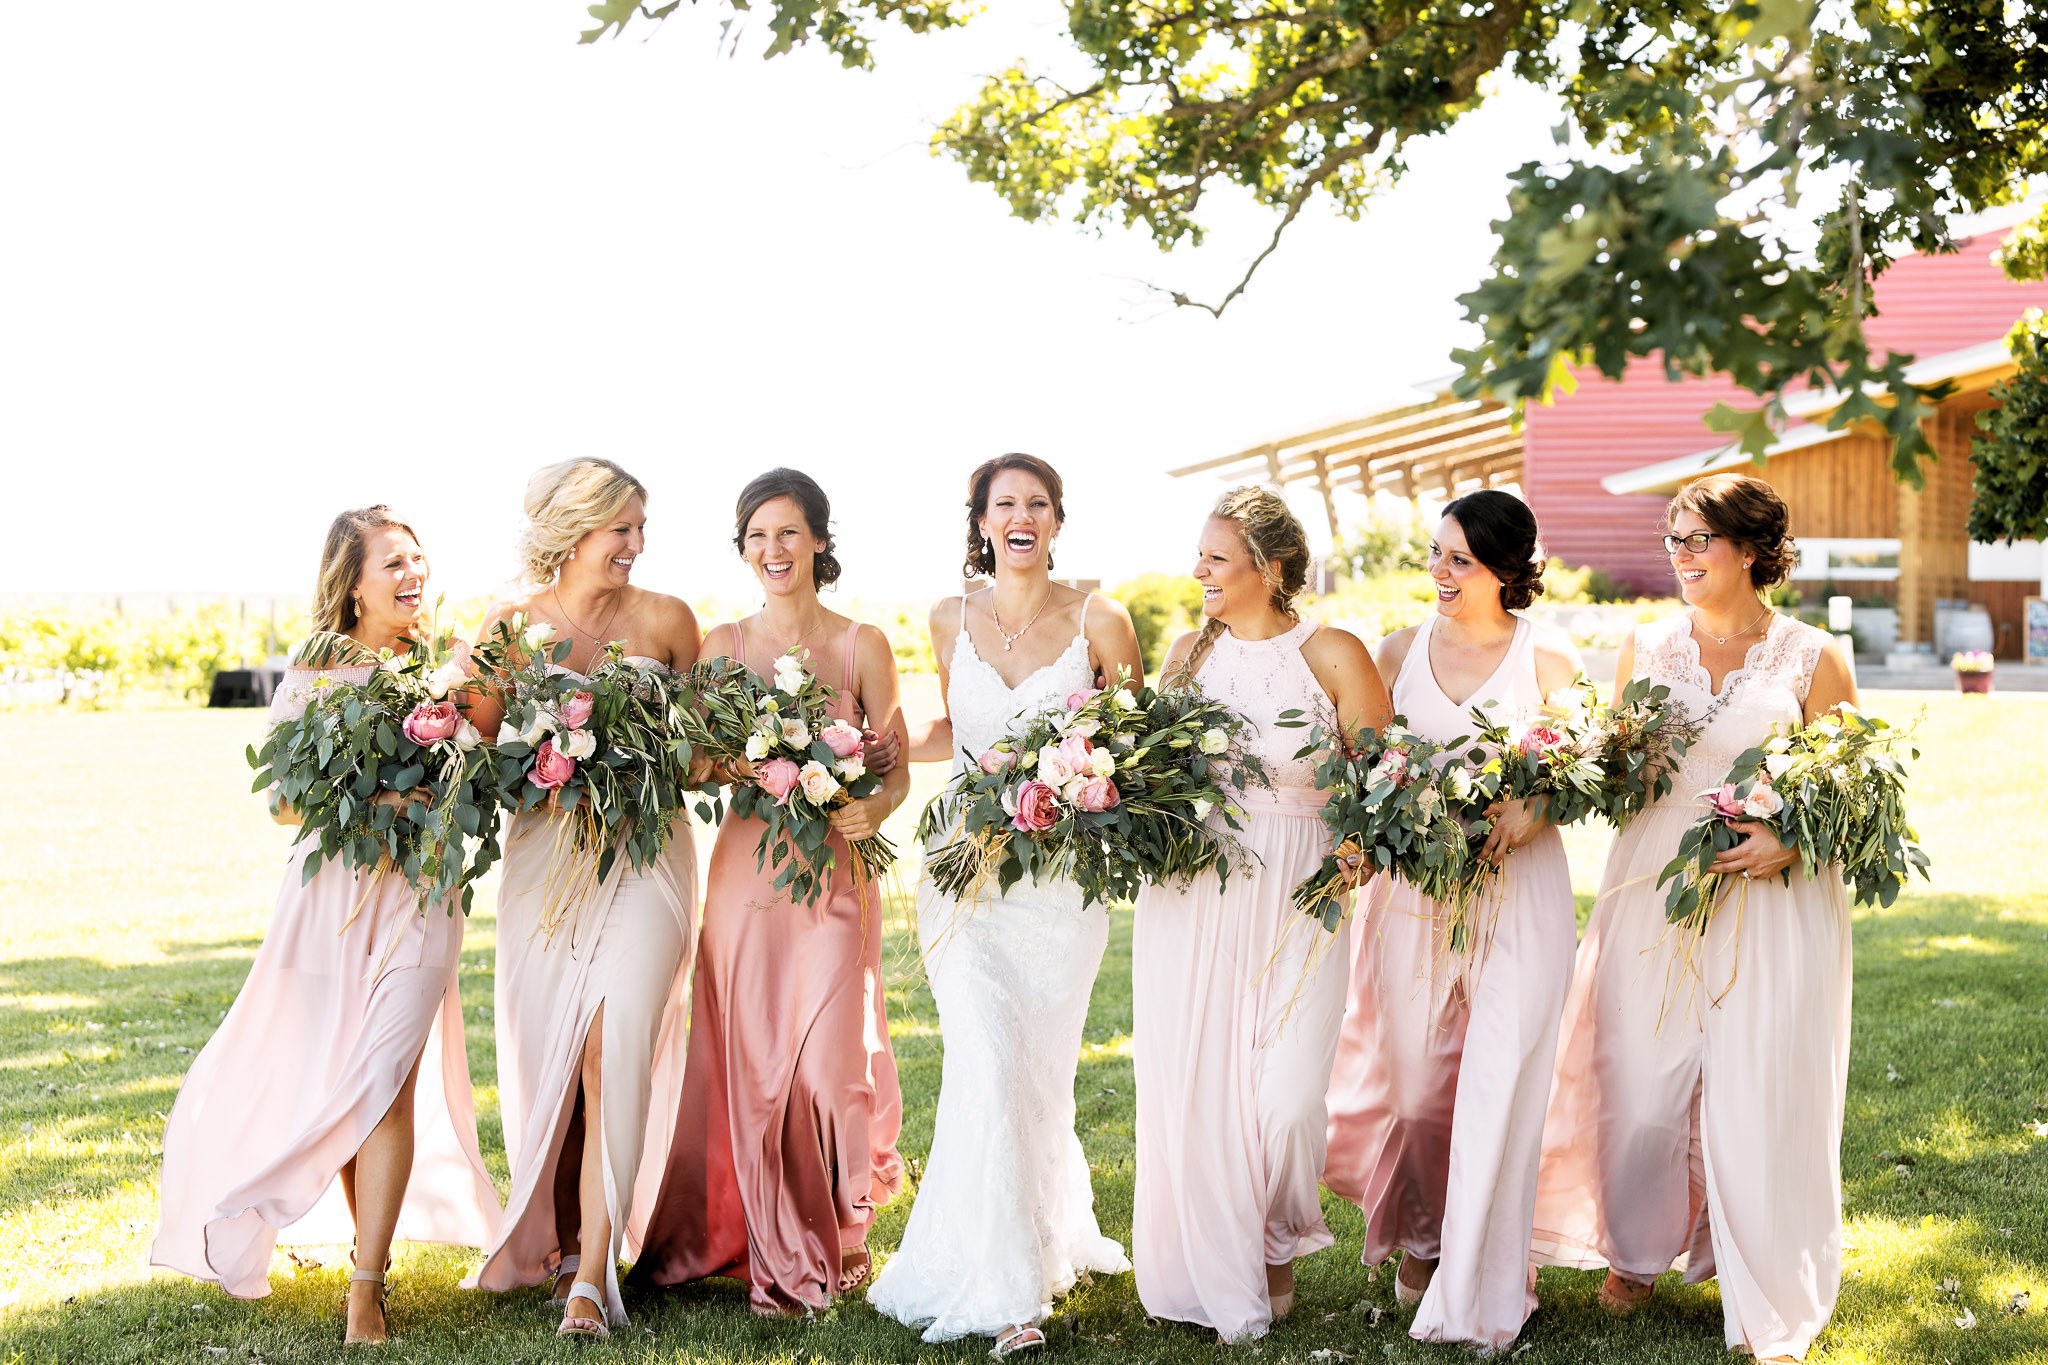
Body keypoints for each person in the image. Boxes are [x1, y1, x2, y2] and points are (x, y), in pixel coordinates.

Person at [152, 506, 499, 1345]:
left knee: (386, 1077)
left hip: (422, 897)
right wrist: (381, 797)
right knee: (351, 1079)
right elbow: (279, 800)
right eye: (393, 562)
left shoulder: (446, 669)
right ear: (351, 584)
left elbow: (489, 773)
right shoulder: (315, 669)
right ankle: (360, 1250)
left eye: (419, 558)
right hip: (332, 903)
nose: (413, 572)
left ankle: (367, 1286)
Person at [1530, 473, 1856, 1363]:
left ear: (1750, 550)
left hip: (1770, 897)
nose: (1678, 554)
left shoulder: (1811, 655)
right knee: (1638, 1073)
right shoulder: (1646, 645)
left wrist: (1791, 838)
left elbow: (1852, 790)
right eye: (1671, 538)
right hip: (1652, 883)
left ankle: (1764, 1278)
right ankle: (1635, 1249)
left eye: (1696, 539)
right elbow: (1622, 766)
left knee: (1757, 1086)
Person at [868, 453, 1144, 1356]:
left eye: (1038, 503)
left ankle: (1037, 1231)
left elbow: (1137, 747)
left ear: (1058, 521)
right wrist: (879, 753)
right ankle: (1007, 1294)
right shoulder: (948, 614)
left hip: (1061, 881)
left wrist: (1081, 785)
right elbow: (955, 728)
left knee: (1035, 1072)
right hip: (964, 870)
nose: (1020, 516)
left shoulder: (1100, 617)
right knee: (984, 1051)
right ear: (981, 521)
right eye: (1004, 504)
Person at [632, 468, 908, 1314]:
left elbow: (890, 770)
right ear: (743, 547)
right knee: (754, 1067)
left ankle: (839, 1229)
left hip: (832, 871)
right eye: (757, 534)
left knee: (829, 1069)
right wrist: (739, 760)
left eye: (788, 532)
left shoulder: (865, 643)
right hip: (749, 871)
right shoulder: (723, 646)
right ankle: (769, 1236)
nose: (772, 549)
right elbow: (693, 762)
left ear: (819, 541)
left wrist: (872, 805)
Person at [1322, 489, 1583, 1351]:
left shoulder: (1548, 663)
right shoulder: (1398, 653)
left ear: (1507, 570)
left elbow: (1578, 773)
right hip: (1413, 894)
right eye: (1435, 553)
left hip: (1521, 892)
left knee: (1504, 1079)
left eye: (1459, 559)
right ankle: (1428, 1236)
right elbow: (1360, 774)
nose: (1439, 571)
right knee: (1419, 1085)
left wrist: (1533, 809)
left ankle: (1490, 1268)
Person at [1130, 487, 1392, 1342]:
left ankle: (1276, 1233)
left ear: (1268, 569)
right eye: (1200, 555)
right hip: (1193, 893)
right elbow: (1154, 775)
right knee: (1198, 1082)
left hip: (1299, 889)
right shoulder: (1187, 655)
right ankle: (1223, 1253)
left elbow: (1385, 785)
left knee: (1285, 1098)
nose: (1197, 570)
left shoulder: (1334, 655)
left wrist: (1356, 849)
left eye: (1214, 557)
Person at [467, 459, 702, 1341]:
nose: (637, 546)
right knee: (557, 1053)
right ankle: (561, 1241)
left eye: (643, 529)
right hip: (547, 861)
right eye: (623, 530)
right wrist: (542, 757)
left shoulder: (670, 621)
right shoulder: (511, 623)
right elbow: (482, 745)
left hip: (648, 855)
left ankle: (594, 1280)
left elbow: (703, 751)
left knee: (616, 1040)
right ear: (574, 531)